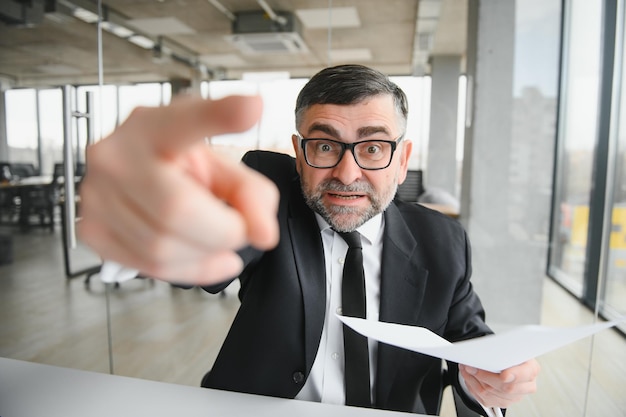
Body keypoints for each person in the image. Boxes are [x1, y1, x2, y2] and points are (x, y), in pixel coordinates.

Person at [78, 64, 539, 415]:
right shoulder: (270, 196)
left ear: (403, 160)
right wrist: (149, 210)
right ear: (298, 154)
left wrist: (492, 375)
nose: (347, 172)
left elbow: (472, 343)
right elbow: (202, 236)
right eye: (325, 145)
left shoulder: (442, 239)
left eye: (373, 147)